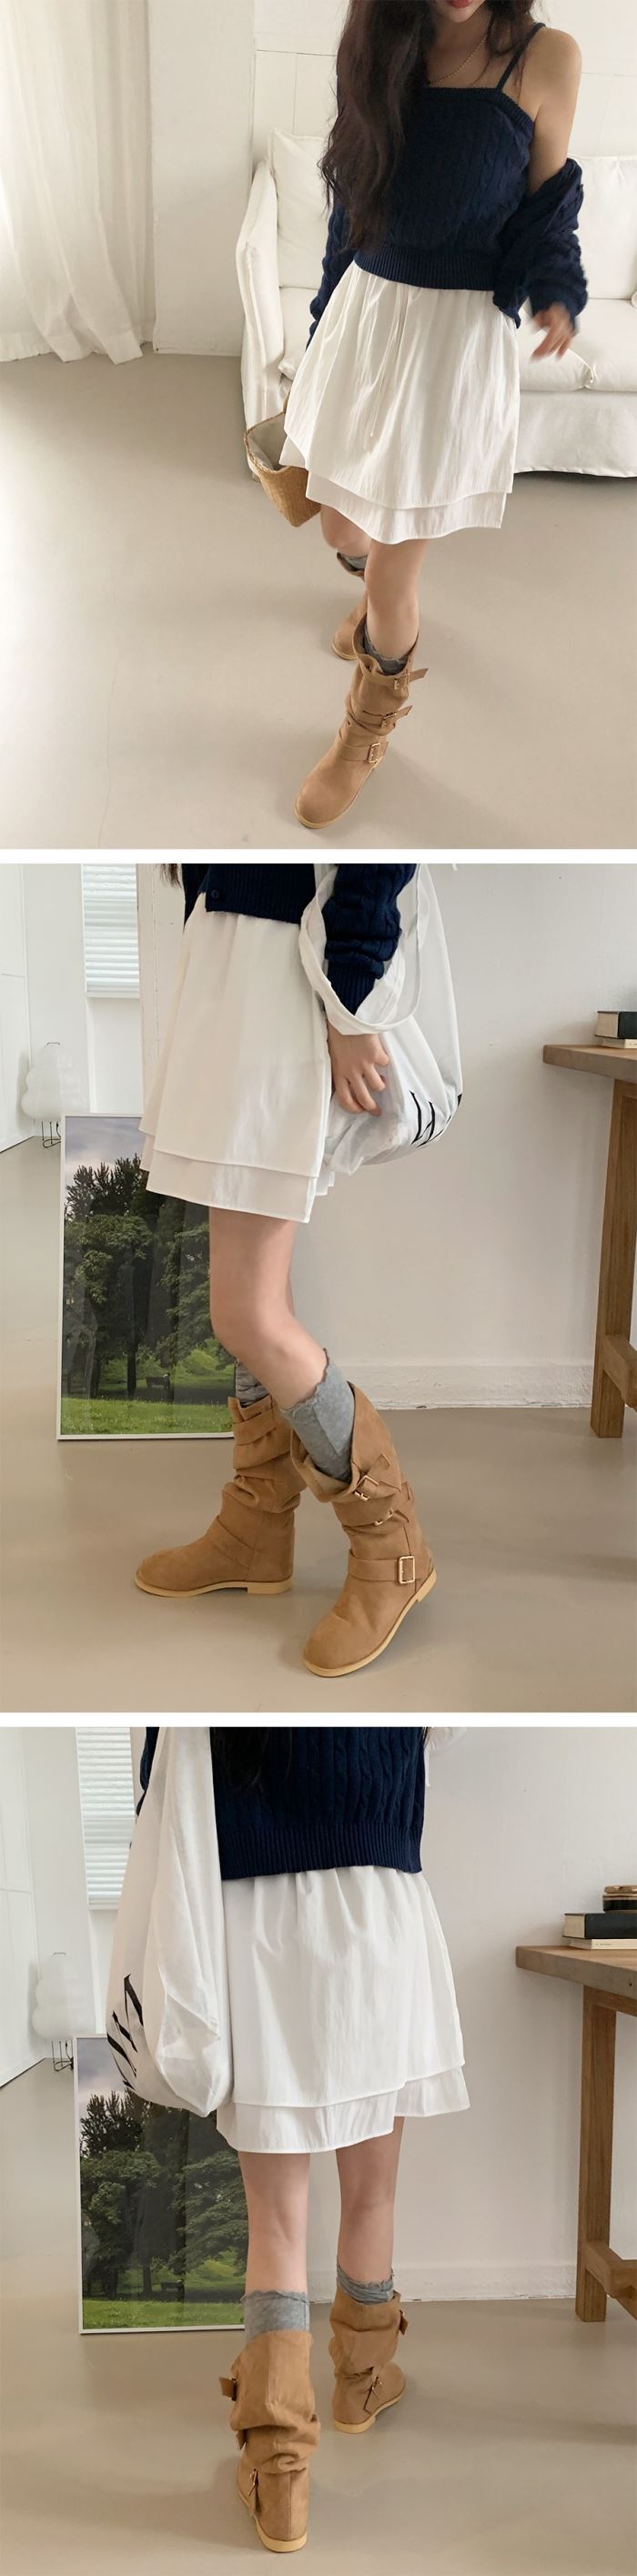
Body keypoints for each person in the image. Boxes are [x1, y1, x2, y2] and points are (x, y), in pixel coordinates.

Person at [137, 1723, 468, 2556]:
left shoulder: (217, 1661)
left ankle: (279, 2469)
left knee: (276, 2221)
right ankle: (362, 2381)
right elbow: (438, 1729)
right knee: (374, 2192)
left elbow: (161, 1766)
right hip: (380, 1905)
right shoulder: (385, 1660)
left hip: (256, 1922)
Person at [135, 861, 459, 1682]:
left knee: (248, 1314)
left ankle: (392, 1542)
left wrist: (351, 1002)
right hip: (225, 972)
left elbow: (375, 845)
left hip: (281, 981)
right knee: (253, 1296)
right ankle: (256, 1524)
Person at [278, 1, 586, 828]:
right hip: (367, 317)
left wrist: (555, 291)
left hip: (454, 344)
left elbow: (546, 209)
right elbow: (349, 213)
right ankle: (373, 588)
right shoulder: (377, 46)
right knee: (340, 526)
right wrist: (320, 330)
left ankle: (365, 730)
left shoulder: (547, 58)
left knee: (391, 575)